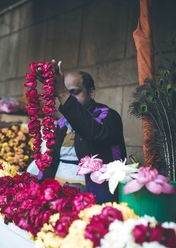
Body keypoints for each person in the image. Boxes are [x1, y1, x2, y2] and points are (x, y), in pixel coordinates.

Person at [39, 61, 127, 203]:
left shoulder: (109, 116)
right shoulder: (61, 123)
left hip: (93, 201)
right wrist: (40, 191)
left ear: (90, 91)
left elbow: (92, 133)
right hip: (58, 199)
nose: (68, 98)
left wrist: (62, 92)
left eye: (74, 92)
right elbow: (51, 161)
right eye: (65, 93)